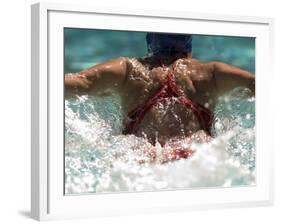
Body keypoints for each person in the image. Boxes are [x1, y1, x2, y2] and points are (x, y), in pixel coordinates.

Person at [65, 33, 255, 163]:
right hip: (194, 162)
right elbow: (259, 85)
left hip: (143, 161)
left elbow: (80, 82)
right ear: (189, 47)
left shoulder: (129, 70)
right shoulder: (210, 73)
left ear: (150, 43)